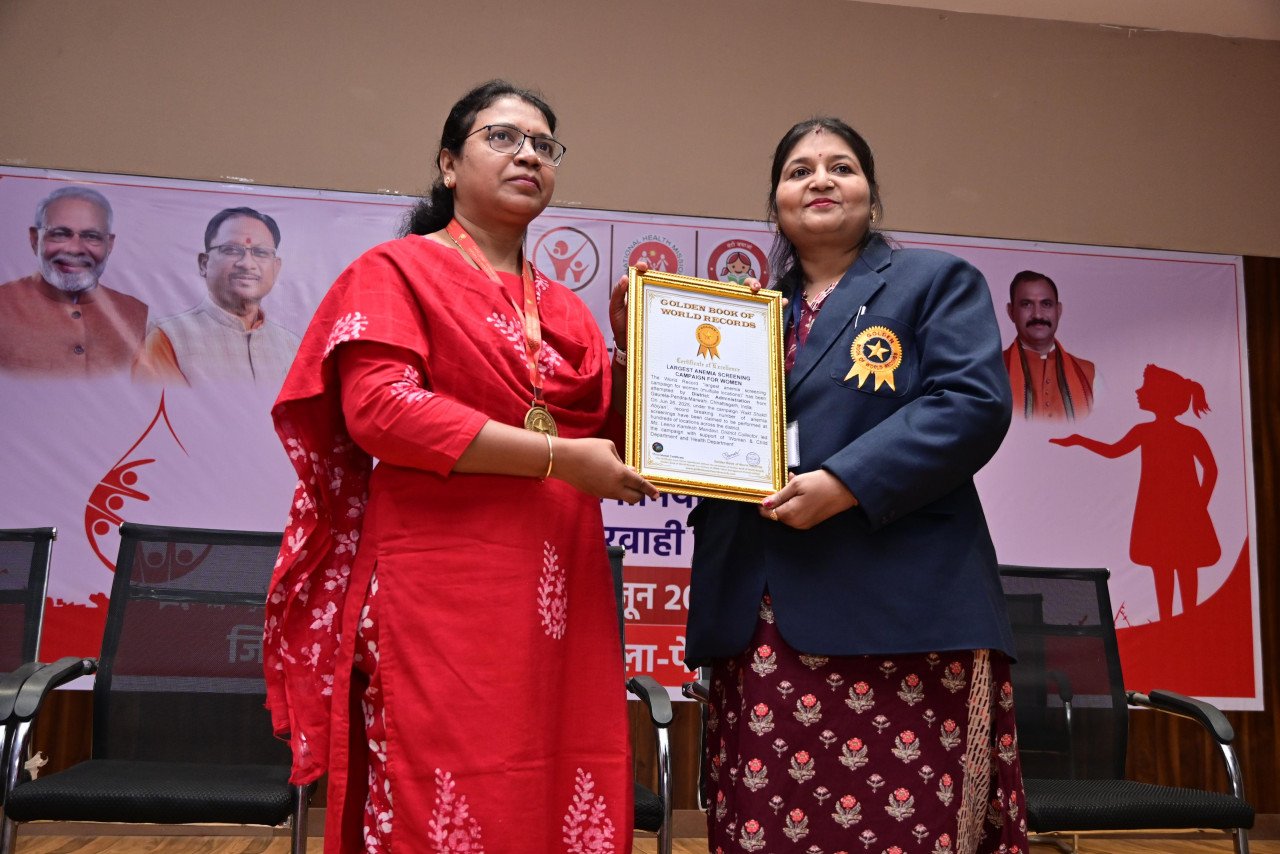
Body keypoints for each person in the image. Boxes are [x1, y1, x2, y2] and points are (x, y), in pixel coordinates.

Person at [263, 80, 657, 853]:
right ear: (448, 164)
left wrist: (635, 349)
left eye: (544, 145)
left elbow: (617, 439)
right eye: (502, 137)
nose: (528, 155)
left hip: (559, 595)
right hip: (440, 589)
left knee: (559, 778)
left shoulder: (568, 309)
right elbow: (383, 412)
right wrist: (555, 458)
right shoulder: (395, 271)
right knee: (446, 794)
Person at [659, 117, 1028, 853]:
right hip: (760, 615)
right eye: (799, 171)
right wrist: (653, 386)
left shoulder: (933, 281)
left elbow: (971, 404)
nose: (820, 180)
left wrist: (845, 481)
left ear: (871, 193)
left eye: (841, 167)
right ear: (776, 202)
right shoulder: (745, 315)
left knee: (906, 829)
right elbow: (701, 430)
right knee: (768, 826)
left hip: (902, 615)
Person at [1051, 364, 1220, 621]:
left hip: (1180, 513)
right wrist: (1080, 440)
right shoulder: (1146, 431)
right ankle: (1168, 623)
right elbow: (1113, 451)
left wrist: (1199, 506)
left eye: (1145, 387)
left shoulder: (1188, 434)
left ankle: (1187, 622)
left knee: (1184, 566)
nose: (1139, 391)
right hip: (1158, 513)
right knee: (1164, 566)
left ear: (1161, 396)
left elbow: (1211, 469)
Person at [135, 207, 300, 386]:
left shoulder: (292, 346)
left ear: (276, 268)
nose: (247, 264)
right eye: (231, 250)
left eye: (260, 252)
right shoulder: (168, 339)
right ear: (204, 264)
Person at [0, 186, 147, 376]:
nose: (75, 249)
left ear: (109, 245)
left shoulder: (139, 315)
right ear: (35, 239)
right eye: (60, 234)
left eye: (92, 236)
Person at [1003, 270, 1095, 420]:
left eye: (1046, 304)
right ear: (1011, 312)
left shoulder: (1090, 375)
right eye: (1026, 304)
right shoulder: (989, 373)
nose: (1037, 315)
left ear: (1058, 311)